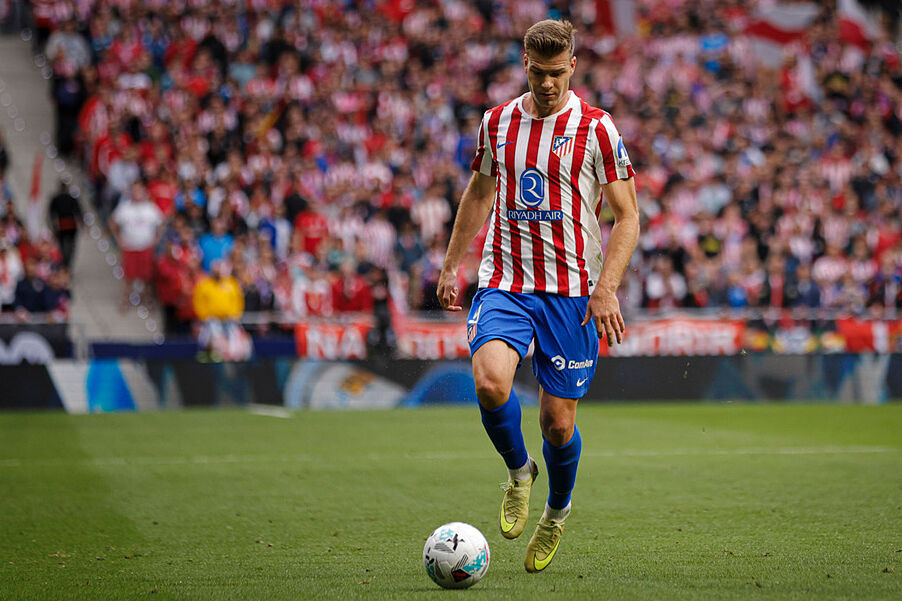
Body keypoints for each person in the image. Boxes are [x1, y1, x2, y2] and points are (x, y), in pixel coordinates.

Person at [436, 20, 639, 573]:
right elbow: (479, 193)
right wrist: (453, 262)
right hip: (505, 280)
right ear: (523, 63)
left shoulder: (597, 129)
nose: (547, 83)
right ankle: (519, 470)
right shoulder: (497, 123)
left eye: (556, 73)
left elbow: (628, 217)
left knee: (558, 423)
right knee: (489, 382)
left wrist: (607, 289)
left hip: (571, 295)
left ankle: (555, 511)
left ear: (572, 66)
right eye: (537, 72)